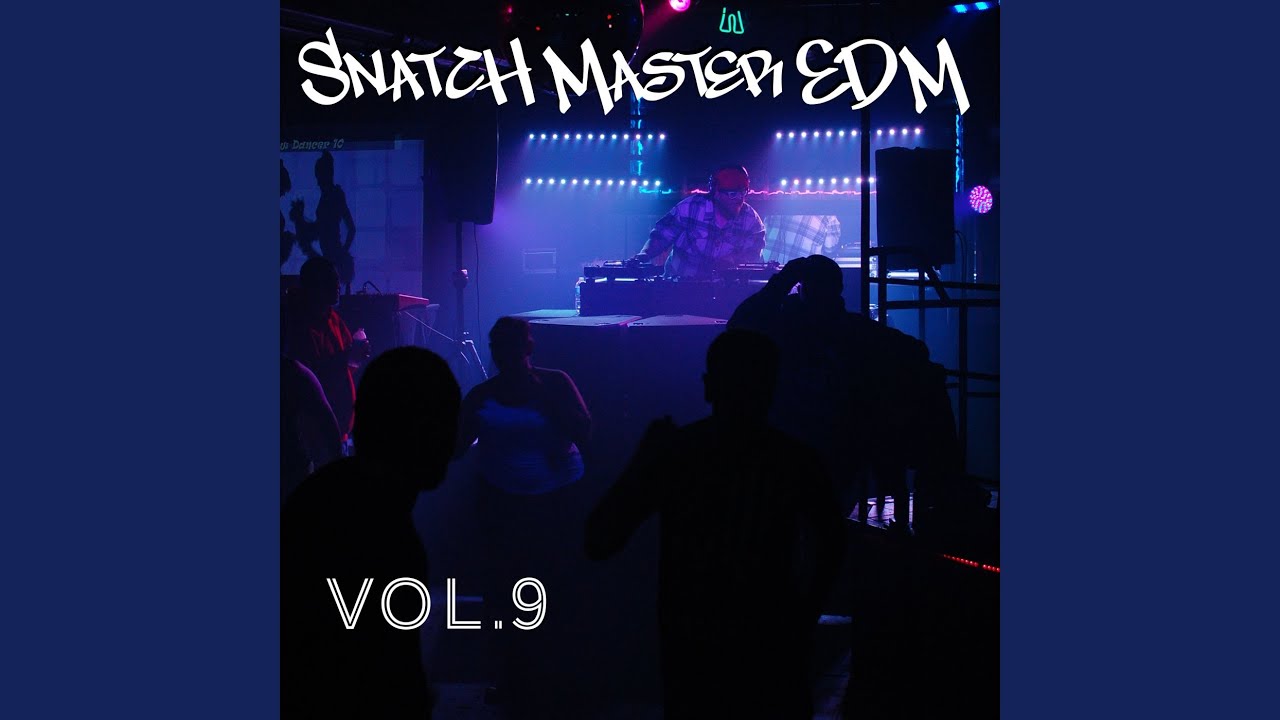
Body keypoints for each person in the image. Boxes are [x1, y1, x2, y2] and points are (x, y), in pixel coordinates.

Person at [585, 329, 846, 719]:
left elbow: (599, 540)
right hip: (770, 645)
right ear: (773, 388)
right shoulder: (796, 460)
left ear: (709, 386)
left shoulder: (679, 455)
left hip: (695, 648)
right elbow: (832, 545)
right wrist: (803, 616)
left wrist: (641, 462)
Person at [281, 346, 461, 719]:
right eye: (443, 421)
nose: (453, 440)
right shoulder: (370, 528)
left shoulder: (337, 498)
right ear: (413, 430)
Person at [453, 316, 593, 714]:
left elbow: (585, 431)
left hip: (555, 501)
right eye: (498, 347)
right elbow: (456, 446)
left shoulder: (555, 383)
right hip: (504, 503)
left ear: (527, 348)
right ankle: (512, 678)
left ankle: (561, 679)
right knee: (504, 592)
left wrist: (549, 404)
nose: (504, 354)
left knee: (556, 588)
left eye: (510, 346)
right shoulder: (482, 395)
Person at [281, 256, 370, 441]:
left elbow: (345, 368)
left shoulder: (333, 319)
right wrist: (346, 358)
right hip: (312, 436)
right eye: (331, 280)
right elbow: (306, 376)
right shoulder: (296, 323)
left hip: (337, 432)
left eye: (337, 280)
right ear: (314, 285)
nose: (338, 285)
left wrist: (355, 357)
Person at [632, 164, 766, 280]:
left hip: (724, 292)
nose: (739, 199)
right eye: (732, 194)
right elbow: (661, 236)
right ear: (716, 192)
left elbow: (752, 255)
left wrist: (732, 262)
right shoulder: (690, 208)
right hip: (678, 287)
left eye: (743, 193)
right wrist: (644, 255)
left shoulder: (752, 222)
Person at [293, 150, 357, 293]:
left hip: (333, 254)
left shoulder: (335, 195)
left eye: (319, 177)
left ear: (326, 175)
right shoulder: (328, 195)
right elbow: (321, 228)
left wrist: (342, 253)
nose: (318, 182)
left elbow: (351, 228)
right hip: (329, 255)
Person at [281, 354, 342, 501]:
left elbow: (329, 427)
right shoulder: (295, 372)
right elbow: (329, 427)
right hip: (293, 472)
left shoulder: (295, 372)